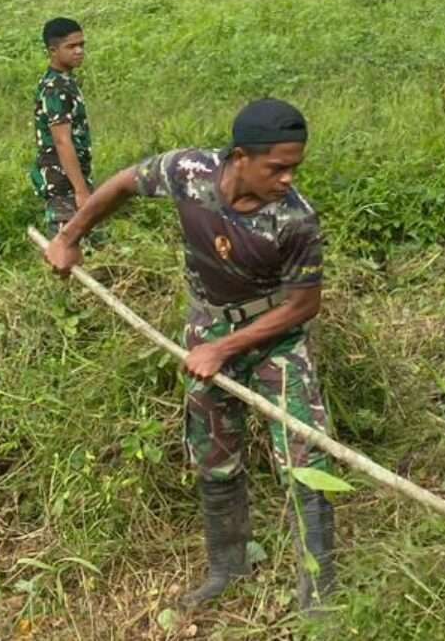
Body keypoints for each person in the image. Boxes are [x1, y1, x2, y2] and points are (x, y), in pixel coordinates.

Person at [44, 99, 337, 615]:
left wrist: (224, 349)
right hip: (208, 325)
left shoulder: (295, 221)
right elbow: (122, 184)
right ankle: (227, 567)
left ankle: (319, 598)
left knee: (306, 459)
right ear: (240, 157)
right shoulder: (189, 172)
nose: (288, 178)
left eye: (296, 167)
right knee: (214, 453)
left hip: (274, 339)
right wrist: (69, 237)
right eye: (277, 167)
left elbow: (303, 305)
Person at [31, 18, 93, 239]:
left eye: (81, 45)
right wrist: (81, 190)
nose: (79, 51)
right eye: (71, 46)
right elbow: (62, 141)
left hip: (73, 178)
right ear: (53, 51)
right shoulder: (55, 88)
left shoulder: (66, 82)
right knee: (65, 246)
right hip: (61, 180)